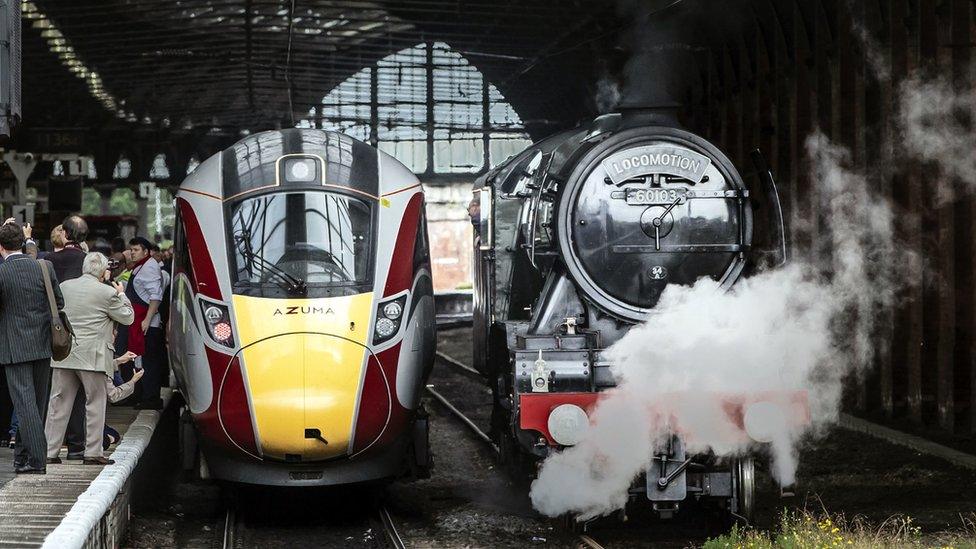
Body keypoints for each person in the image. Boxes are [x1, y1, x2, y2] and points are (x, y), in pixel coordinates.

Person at [44, 252, 134, 465]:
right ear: (103, 272)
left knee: (58, 402)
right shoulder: (107, 293)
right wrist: (121, 294)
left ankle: (49, 450)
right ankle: (92, 452)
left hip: (64, 353)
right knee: (95, 403)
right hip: (93, 357)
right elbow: (127, 318)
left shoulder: (65, 286)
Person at [0, 221, 63, 474]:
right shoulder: (44, 267)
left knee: (24, 405)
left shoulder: (3, 273)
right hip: (43, 343)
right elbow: (58, 302)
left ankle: (38, 460)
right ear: (22, 243)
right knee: (37, 403)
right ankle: (21, 457)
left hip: (14, 347)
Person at [43, 214, 89, 460]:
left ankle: (52, 446)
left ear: (66, 234)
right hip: (83, 333)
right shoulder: (90, 261)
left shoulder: (48, 260)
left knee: (58, 392)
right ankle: (77, 445)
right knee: (80, 392)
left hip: (56, 332)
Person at [126, 237, 165, 409]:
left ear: (146, 252)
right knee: (140, 360)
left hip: (146, 323)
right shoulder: (140, 266)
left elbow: (155, 296)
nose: (132, 253)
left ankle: (151, 398)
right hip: (139, 321)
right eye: (131, 250)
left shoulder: (149, 267)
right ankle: (140, 395)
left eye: (136, 250)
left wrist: (147, 320)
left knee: (149, 361)